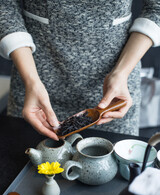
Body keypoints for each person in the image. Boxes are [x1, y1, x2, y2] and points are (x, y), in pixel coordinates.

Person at [0, 1, 160, 140]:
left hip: (113, 94)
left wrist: (121, 73)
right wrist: (31, 81)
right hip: (34, 88)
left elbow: (156, 8)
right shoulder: (32, 84)